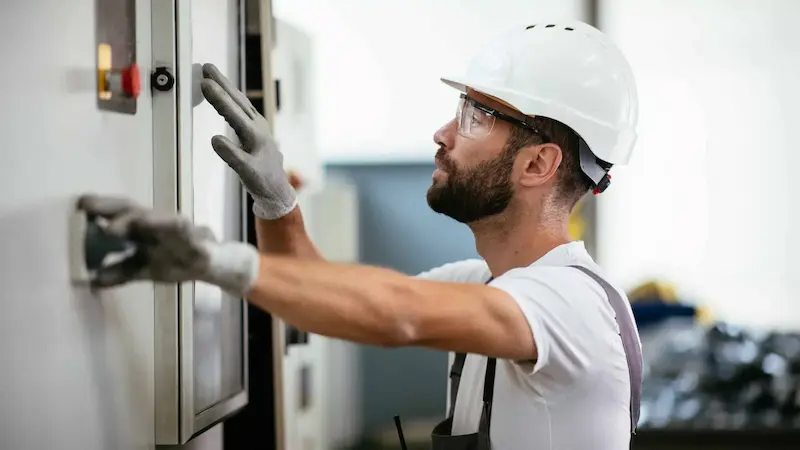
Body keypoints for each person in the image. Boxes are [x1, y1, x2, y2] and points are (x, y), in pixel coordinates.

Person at [79, 20, 642, 450]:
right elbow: (325, 296)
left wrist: (212, 260)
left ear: (539, 164)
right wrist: (278, 204)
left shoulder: (572, 304)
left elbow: (400, 313)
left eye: (474, 116)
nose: (443, 133)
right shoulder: (495, 284)